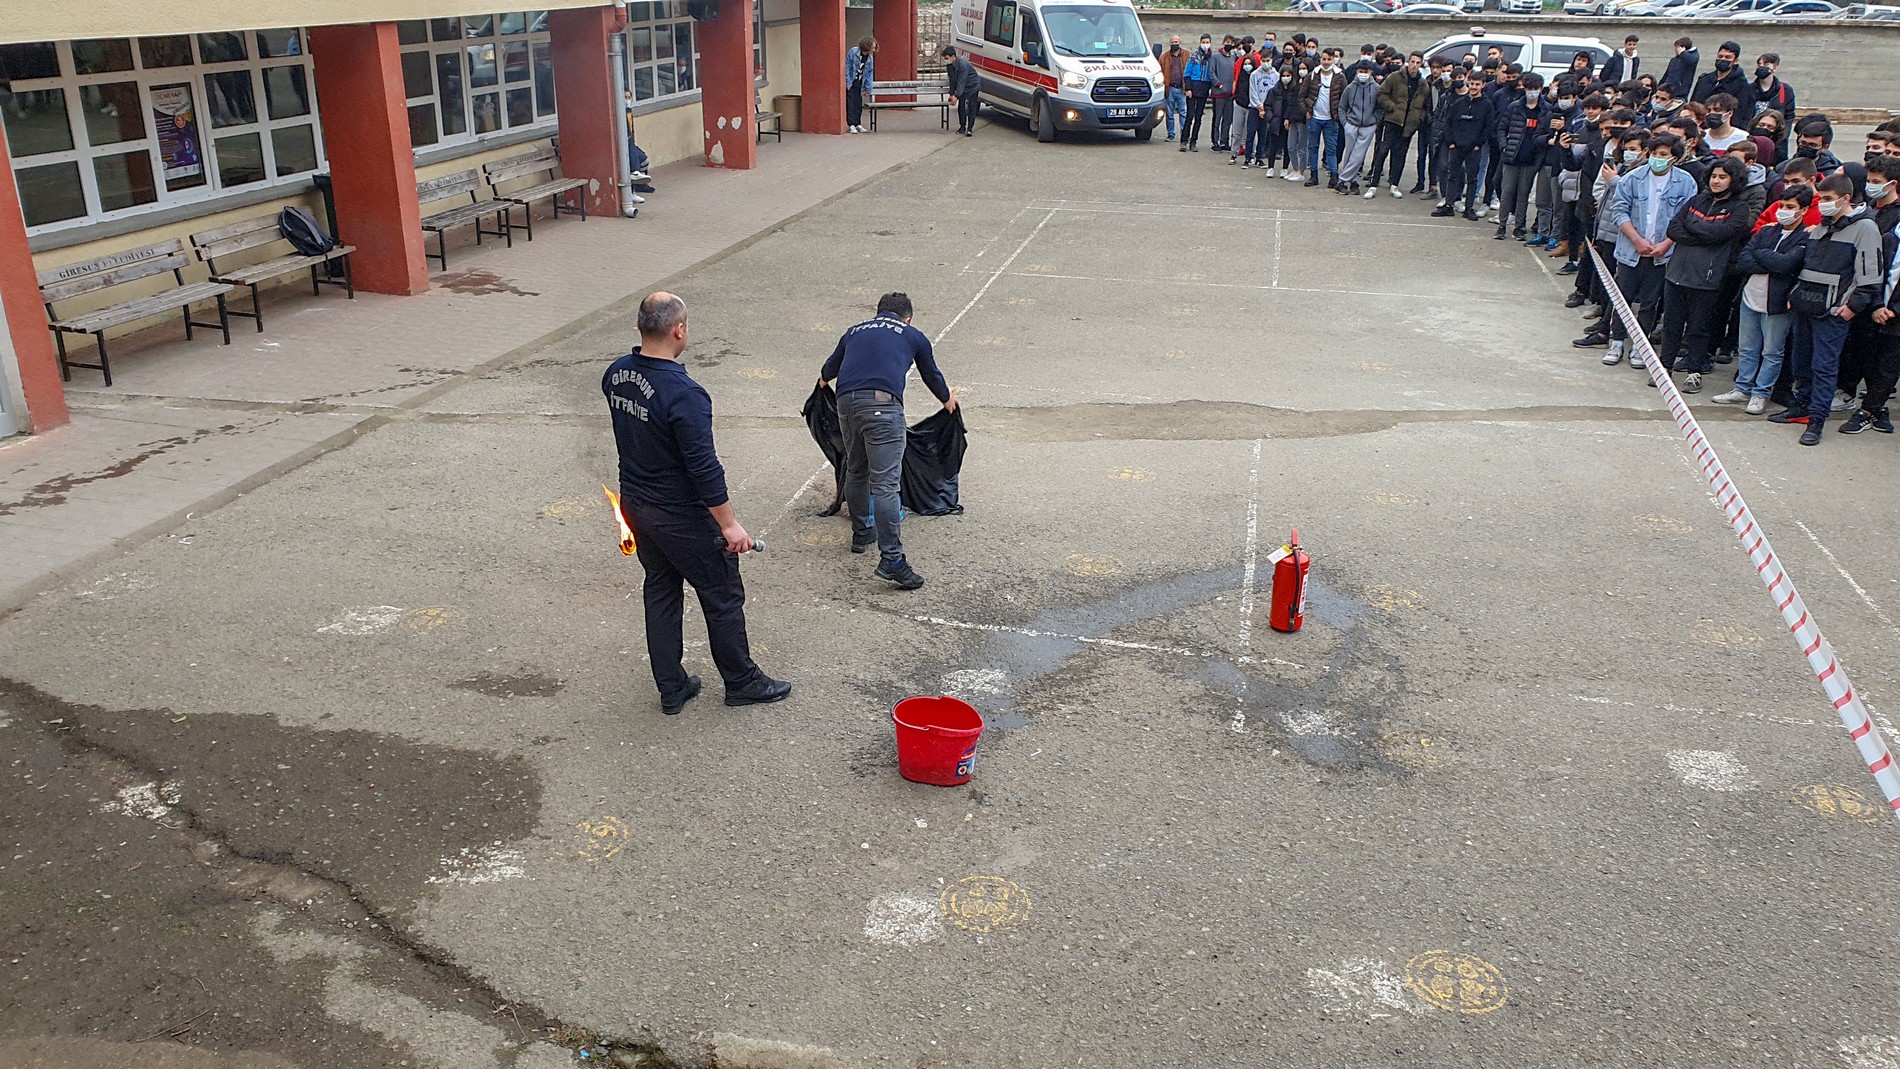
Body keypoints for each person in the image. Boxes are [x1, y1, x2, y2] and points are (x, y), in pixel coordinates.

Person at [602, 293, 790, 713]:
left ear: (639, 328)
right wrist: (729, 525)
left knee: (661, 589)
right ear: (679, 329)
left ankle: (671, 687)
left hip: (638, 505)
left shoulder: (616, 375)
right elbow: (704, 467)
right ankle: (741, 681)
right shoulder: (685, 393)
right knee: (721, 593)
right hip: (680, 514)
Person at [817, 293, 958, 589]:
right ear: (907, 317)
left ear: (877, 312)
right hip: (883, 408)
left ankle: (861, 532)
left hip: (847, 405)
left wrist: (821, 386)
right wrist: (947, 400)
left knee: (856, 470)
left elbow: (827, 372)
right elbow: (931, 374)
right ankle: (892, 559)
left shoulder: (854, 331)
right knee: (885, 485)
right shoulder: (913, 335)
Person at [1770, 174, 1885, 443]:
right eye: (1821, 199)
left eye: (1828, 200)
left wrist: (1851, 307)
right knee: (1801, 362)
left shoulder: (1865, 228)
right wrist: (1795, 295)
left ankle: (1817, 420)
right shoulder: (1821, 227)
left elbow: (1870, 276)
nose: (1823, 205)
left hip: (1832, 312)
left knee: (1824, 367)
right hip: (1805, 306)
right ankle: (1801, 408)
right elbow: (1808, 267)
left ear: (1846, 199)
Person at [1597, 132, 1699, 368]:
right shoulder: (1632, 178)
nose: (1657, 158)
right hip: (1630, 251)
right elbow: (1619, 211)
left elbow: (1684, 218)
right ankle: (1617, 340)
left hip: (1662, 254)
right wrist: (1636, 240)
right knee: (1622, 297)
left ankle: (1640, 346)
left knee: (1650, 303)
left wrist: (1665, 244)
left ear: (1674, 157)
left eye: (1663, 155)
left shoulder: (1685, 182)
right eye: (1654, 153)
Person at [1657, 155, 1751, 393]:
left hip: (1707, 279)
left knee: (1699, 328)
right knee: (1672, 324)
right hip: (1677, 273)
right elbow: (1674, 228)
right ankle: (1664, 368)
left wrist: (1694, 228)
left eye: (1723, 177)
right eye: (1713, 176)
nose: (1716, 181)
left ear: (1734, 180)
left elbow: (1722, 234)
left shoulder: (1739, 208)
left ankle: (1694, 372)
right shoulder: (1696, 200)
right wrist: (1702, 233)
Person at [1716, 188, 1811, 413]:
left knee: (1772, 351)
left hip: (1776, 305)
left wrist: (1763, 255)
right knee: (1747, 348)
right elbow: (1744, 260)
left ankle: (1761, 393)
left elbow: (1788, 265)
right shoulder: (1766, 232)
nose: (1784, 211)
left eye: (1790, 207)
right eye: (1782, 206)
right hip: (1750, 298)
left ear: (1803, 210)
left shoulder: (1806, 237)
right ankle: (1742, 389)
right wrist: (1771, 260)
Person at [1845, 209, 1900, 434]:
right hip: (1874, 312)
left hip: (1896, 318)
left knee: (1889, 367)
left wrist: (1894, 310)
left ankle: (1869, 410)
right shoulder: (1888, 239)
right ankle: (1877, 405)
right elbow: (1873, 272)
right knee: (1868, 360)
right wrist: (1877, 305)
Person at [1495, 72, 1552, 242]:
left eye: (1535, 89)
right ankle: (1502, 224)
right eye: (1529, 89)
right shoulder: (1515, 107)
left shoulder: (1546, 109)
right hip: (1512, 156)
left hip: (1532, 159)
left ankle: (1519, 226)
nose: (1532, 92)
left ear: (1541, 89)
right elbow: (1502, 128)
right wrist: (1504, 146)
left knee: (1523, 194)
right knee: (1507, 191)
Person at [1368, 51, 1428, 200]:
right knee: (1382, 151)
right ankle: (1373, 184)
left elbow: (1425, 106)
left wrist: (1417, 119)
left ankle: (1394, 184)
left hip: (1408, 125)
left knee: (1400, 154)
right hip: (1392, 121)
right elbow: (1381, 94)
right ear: (1408, 62)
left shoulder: (1423, 84)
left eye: (1418, 63)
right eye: (1412, 62)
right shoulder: (1395, 77)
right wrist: (1392, 107)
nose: (1414, 66)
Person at [1433, 74, 1493, 221]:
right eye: (1472, 84)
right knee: (1453, 176)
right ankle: (1449, 205)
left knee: (1472, 179)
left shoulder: (1487, 105)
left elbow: (1488, 127)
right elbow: (1448, 123)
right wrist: (1451, 142)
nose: (1474, 87)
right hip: (1456, 147)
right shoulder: (1459, 103)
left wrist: (1478, 144)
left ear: (1483, 85)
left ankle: (1469, 208)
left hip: (1474, 149)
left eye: (1477, 84)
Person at [1335, 60, 1381, 196]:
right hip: (1351, 124)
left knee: (1358, 155)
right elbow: (1342, 107)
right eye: (1360, 71)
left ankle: (1342, 180)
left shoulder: (1376, 88)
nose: (1363, 74)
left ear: (1371, 72)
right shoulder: (1350, 88)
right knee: (1349, 153)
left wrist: (1375, 121)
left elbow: (1379, 108)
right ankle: (1353, 181)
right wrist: (1345, 123)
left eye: (1365, 72)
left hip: (1368, 125)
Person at [1303, 48, 1345, 188]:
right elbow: (1301, 96)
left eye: (1329, 59)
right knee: (1313, 147)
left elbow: (1344, 98)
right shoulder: (1313, 75)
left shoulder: (1340, 76)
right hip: (1314, 118)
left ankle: (1334, 176)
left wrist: (1338, 115)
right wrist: (1307, 111)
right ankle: (1313, 175)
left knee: (1331, 148)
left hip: (1331, 119)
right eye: (1324, 59)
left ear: (1333, 60)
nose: (1326, 62)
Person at [1750, 54, 1795, 151]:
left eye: (1766, 64)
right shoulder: (1748, 89)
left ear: (1775, 68)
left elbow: (1789, 116)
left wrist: (1782, 136)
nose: (1762, 67)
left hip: (1776, 142)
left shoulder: (1785, 90)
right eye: (1759, 64)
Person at [1182, 34, 1214, 151]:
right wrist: (1188, 89)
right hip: (1193, 88)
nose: (1205, 44)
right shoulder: (1194, 55)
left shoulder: (1212, 57)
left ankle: (1193, 141)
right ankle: (1184, 140)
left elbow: (1212, 74)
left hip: (1204, 88)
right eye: (1204, 42)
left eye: (1207, 42)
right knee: (1189, 116)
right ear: (1200, 42)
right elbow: (1187, 74)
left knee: (1199, 117)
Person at [1690, 41, 1747, 106]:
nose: (1723, 59)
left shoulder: (1741, 84)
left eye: (1728, 57)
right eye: (1720, 56)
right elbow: (1693, 103)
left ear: (1735, 60)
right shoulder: (1704, 79)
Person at [1209, 35, 1239, 153]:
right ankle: (1215, 141)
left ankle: (1224, 141)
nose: (1229, 45)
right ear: (1223, 43)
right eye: (1227, 42)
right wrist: (1219, 85)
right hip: (1218, 93)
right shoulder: (1215, 56)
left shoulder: (1233, 57)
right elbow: (1211, 73)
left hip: (1230, 94)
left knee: (1228, 119)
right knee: (1217, 118)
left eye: (1231, 43)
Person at [944, 46, 980, 137]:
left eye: (947, 58)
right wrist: (952, 94)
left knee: (972, 106)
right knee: (961, 106)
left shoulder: (962, 64)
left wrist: (956, 96)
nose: (946, 60)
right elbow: (952, 80)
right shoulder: (950, 66)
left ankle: (970, 128)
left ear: (953, 56)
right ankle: (962, 127)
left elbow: (961, 81)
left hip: (972, 85)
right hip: (963, 87)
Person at [1159, 35, 1188, 142]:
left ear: (1180, 42)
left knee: (1183, 113)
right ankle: (1170, 134)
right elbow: (1160, 71)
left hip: (1182, 88)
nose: (1174, 44)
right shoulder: (1164, 57)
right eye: (1172, 42)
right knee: (1169, 113)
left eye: (1176, 41)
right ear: (1169, 43)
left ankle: (1184, 134)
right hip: (1170, 88)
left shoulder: (1187, 55)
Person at [846, 36, 876, 134]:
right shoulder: (853, 52)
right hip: (852, 82)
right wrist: (848, 81)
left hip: (860, 83)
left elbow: (869, 73)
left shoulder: (870, 58)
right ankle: (851, 124)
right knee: (850, 103)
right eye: (873, 47)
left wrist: (868, 88)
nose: (874, 49)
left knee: (858, 104)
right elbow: (848, 66)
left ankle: (858, 123)